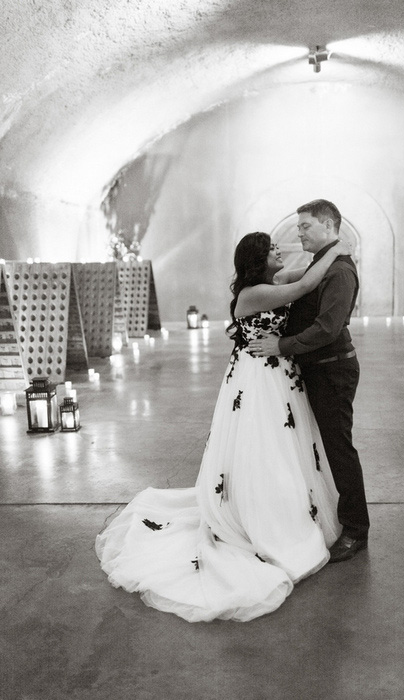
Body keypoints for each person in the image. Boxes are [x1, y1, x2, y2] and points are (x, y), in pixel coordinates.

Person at [96, 232, 351, 622]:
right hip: (258, 378)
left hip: (280, 373)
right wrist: (336, 248)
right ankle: (259, 516)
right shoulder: (252, 294)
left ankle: (290, 507)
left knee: (286, 447)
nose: (279, 251)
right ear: (257, 259)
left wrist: (325, 253)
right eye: (272, 249)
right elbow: (305, 283)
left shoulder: (273, 282)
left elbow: (302, 272)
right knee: (262, 445)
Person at [250, 200, 370, 563]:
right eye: (299, 226)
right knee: (321, 444)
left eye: (305, 226)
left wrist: (281, 345)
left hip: (332, 368)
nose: (298, 231)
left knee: (338, 448)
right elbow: (294, 285)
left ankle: (355, 530)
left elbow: (328, 328)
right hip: (315, 366)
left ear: (329, 226)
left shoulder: (339, 271)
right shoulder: (321, 263)